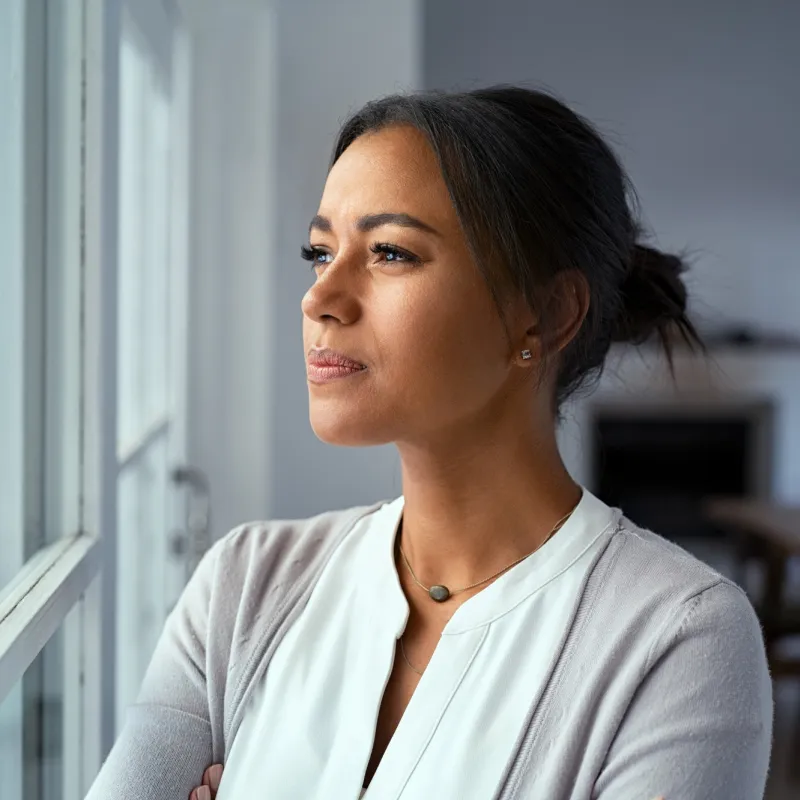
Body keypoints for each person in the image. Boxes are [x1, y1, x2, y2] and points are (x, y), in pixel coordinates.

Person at [87, 86, 772, 800]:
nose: (319, 297)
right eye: (320, 251)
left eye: (389, 252)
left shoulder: (680, 642)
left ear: (544, 315)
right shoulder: (244, 586)